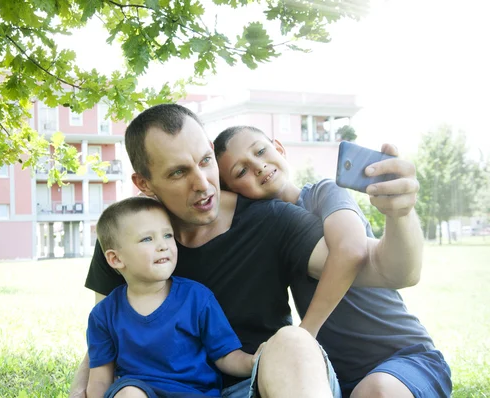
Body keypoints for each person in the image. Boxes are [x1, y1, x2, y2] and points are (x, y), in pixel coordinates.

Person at [71, 104, 424, 398]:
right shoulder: (128, 234)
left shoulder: (273, 220)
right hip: (161, 389)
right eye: (179, 172)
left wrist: (402, 215)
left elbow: (390, 270)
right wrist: (81, 389)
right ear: (144, 184)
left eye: (205, 161)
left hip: (260, 383)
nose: (202, 183)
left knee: (292, 342)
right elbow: (106, 334)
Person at [213, 125, 451, 398]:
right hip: (339, 378)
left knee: (376, 390)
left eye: (261, 151)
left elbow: (350, 249)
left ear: (279, 148)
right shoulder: (264, 235)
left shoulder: (321, 193)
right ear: (232, 192)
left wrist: (304, 336)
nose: (257, 165)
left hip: (403, 358)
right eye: (240, 171)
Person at [87, 196, 259, 398]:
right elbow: (100, 379)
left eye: (168, 235)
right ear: (116, 259)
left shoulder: (196, 297)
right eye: (147, 239)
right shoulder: (104, 314)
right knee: (128, 393)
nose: (163, 245)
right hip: (141, 391)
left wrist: (253, 362)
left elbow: (225, 355)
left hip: (196, 393)